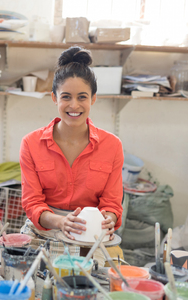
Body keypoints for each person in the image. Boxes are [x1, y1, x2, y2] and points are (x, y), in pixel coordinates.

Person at [20, 46, 123, 262]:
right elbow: (32, 203)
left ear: (93, 99)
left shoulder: (112, 145)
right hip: (44, 231)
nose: (74, 105)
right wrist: (59, 222)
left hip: (91, 233)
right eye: (66, 97)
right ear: (54, 98)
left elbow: (112, 203)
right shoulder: (31, 143)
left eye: (82, 97)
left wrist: (108, 219)